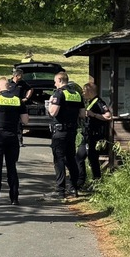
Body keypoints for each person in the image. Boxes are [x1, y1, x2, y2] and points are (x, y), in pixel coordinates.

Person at [0, 77, 28, 205]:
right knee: (12, 168)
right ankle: (14, 198)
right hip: (13, 138)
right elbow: (25, 120)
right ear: (9, 87)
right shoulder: (18, 100)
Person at [46, 72, 84, 200]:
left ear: (60, 80)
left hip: (60, 131)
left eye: (55, 81)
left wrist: (50, 103)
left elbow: (53, 112)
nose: (54, 84)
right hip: (72, 131)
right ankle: (74, 188)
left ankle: (60, 190)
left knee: (59, 160)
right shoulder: (77, 94)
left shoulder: (59, 93)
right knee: (71, 159)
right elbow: (83, 114)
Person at [76, 82, 113, 189]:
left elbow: (108, 116)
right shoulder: (91, 102)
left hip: (94, 136)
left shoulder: (99, 102)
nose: (83, 93)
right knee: (79, 157)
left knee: (93, 159)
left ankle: (97, 182)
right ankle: (81, 181)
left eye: (84, 91)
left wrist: (94, 115)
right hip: (87, 135)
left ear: (90, 91)